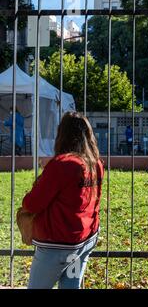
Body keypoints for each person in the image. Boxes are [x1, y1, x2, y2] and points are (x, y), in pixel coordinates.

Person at [20, 112, 104, 289]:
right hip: (84, 240)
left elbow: (33, 203)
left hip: (57, 245)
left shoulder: (62, 164)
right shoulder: (95, 163)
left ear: (62, 134)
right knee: (70, 286)